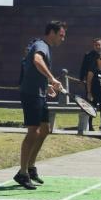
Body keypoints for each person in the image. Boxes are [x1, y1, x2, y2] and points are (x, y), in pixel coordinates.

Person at [16, 21, 66, 190]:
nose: (63, 38)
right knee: (33, 131)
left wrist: (47, 86)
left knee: (45, 129)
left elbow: (36, 70)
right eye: (61, 35)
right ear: (51, 32)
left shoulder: (45, 47)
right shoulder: (41, 45)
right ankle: (22, 173)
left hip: (39, 93)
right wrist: (52, 78)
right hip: (30, 94)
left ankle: (30, 167)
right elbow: (37, 60)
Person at [80, 38, 101, 130]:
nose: (98, 46)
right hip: (91, 82)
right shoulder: (88, 55)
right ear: (93, 45)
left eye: (99, 45)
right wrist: (82, 78)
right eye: (96, 45)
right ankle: (89, 125)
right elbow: (83, 67)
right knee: (91, 104)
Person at [87, 53, 101, 131]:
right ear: (97, 60)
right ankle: (89, 125)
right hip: (94, 92)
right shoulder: (93, 69)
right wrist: (89, 92)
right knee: (92, 108)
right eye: (100, 58)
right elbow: (89, 81)